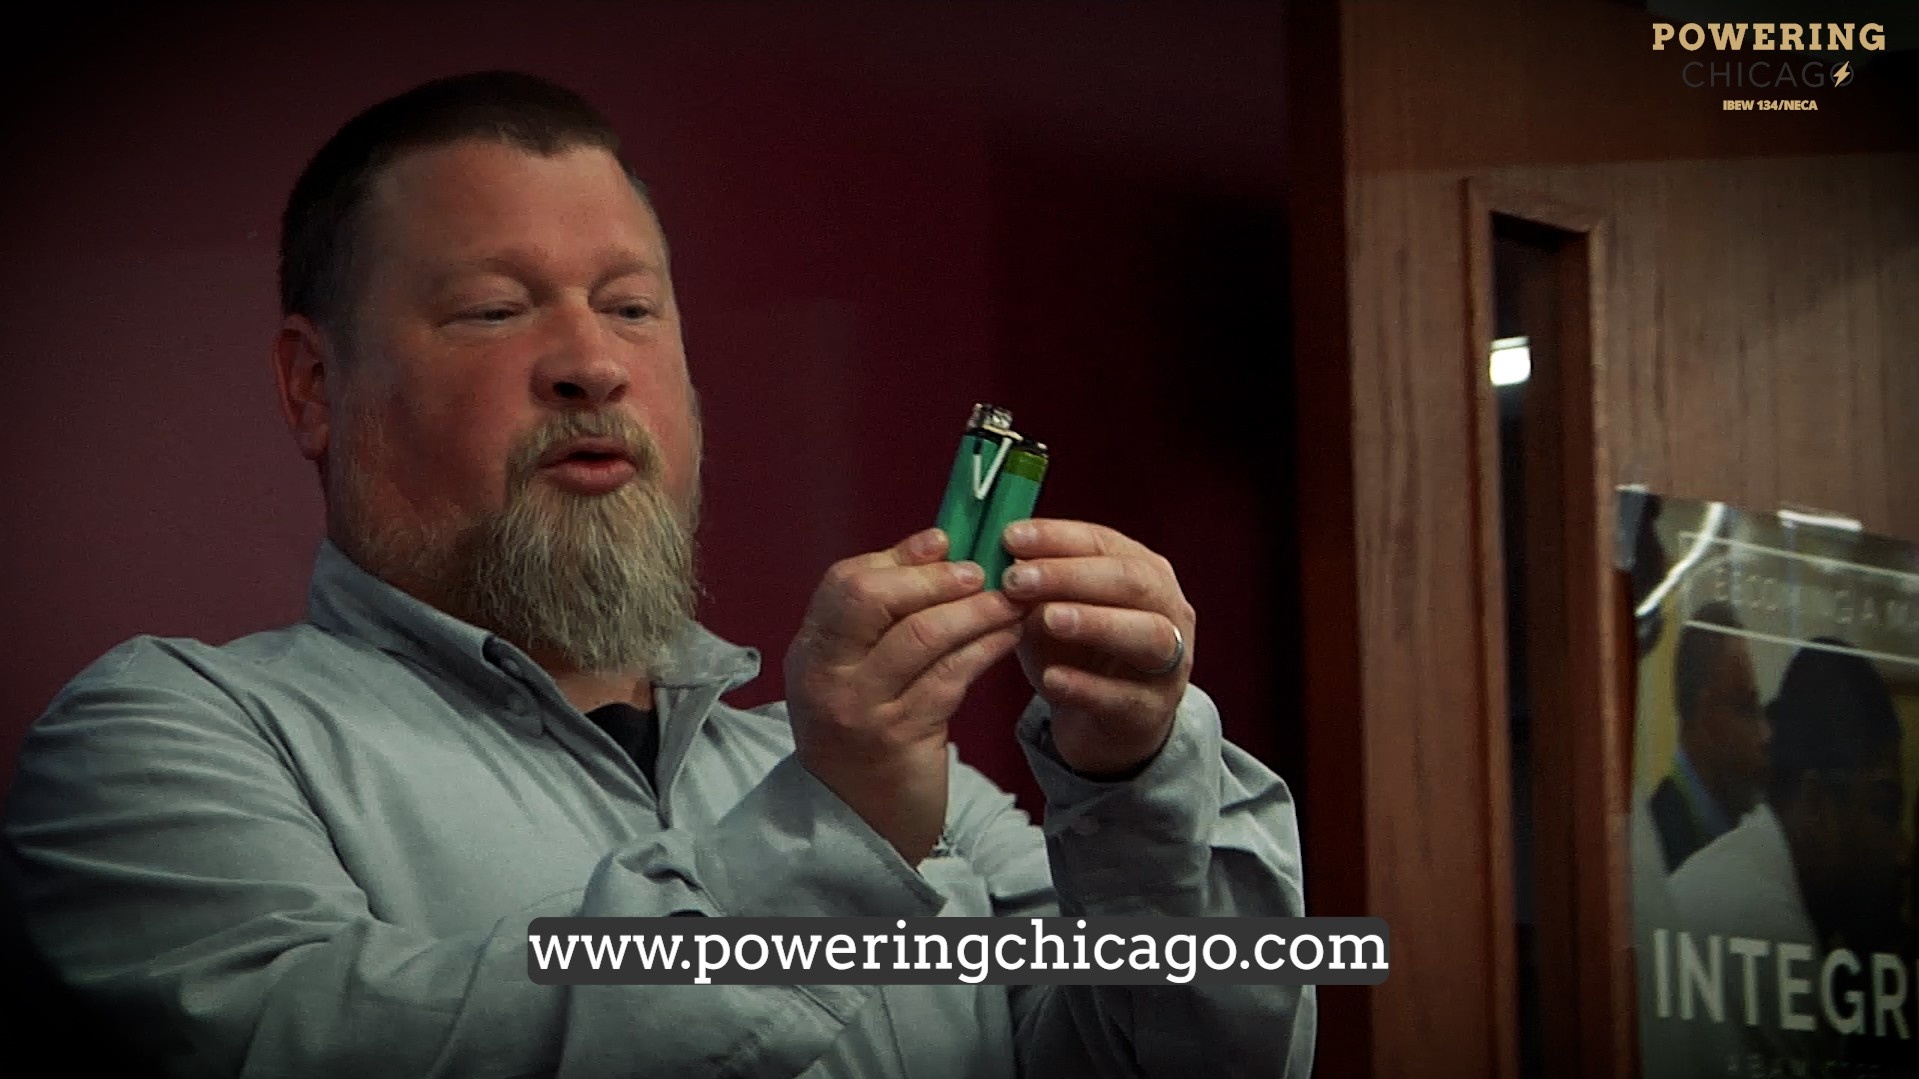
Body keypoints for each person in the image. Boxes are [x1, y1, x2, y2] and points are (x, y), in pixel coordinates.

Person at [0, 71, 1315, 1078]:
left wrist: (1134, 783)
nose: (592, 363)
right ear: (311, 385)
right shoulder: (166, 742)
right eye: (494, 307)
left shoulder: (927, 802)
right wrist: (835, 832)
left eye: (631, 307)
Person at [1667, 639, 1910, 1073]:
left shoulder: (1745, 872)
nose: (1902, 854)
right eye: (1883, 808)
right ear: (1815, 802)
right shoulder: (1767, 924)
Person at [1647, 602, 1768, 872]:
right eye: (1746, 709)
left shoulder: (1729, 831)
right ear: (1706, 716)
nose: (1764, 735)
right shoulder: (1660, 842)